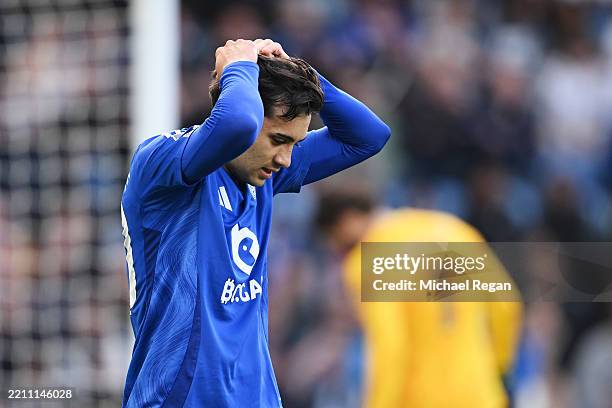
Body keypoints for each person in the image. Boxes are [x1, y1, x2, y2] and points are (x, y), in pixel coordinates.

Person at [120, 39, 390, 407]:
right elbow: (236, 124)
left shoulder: (263, 175)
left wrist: (300, 74)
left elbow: (369, 137)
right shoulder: (161, 164)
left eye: (295, 144)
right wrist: (240, 64)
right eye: (279, 139)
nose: (286, 160)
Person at [315, 191, 522, 408]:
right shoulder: (456, 230)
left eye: (335, 240)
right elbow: (506, 306)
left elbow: (390, 348)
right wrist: (498, 368)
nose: (339, 251)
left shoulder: (368, 260)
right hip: (481, 396)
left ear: (348, 219)